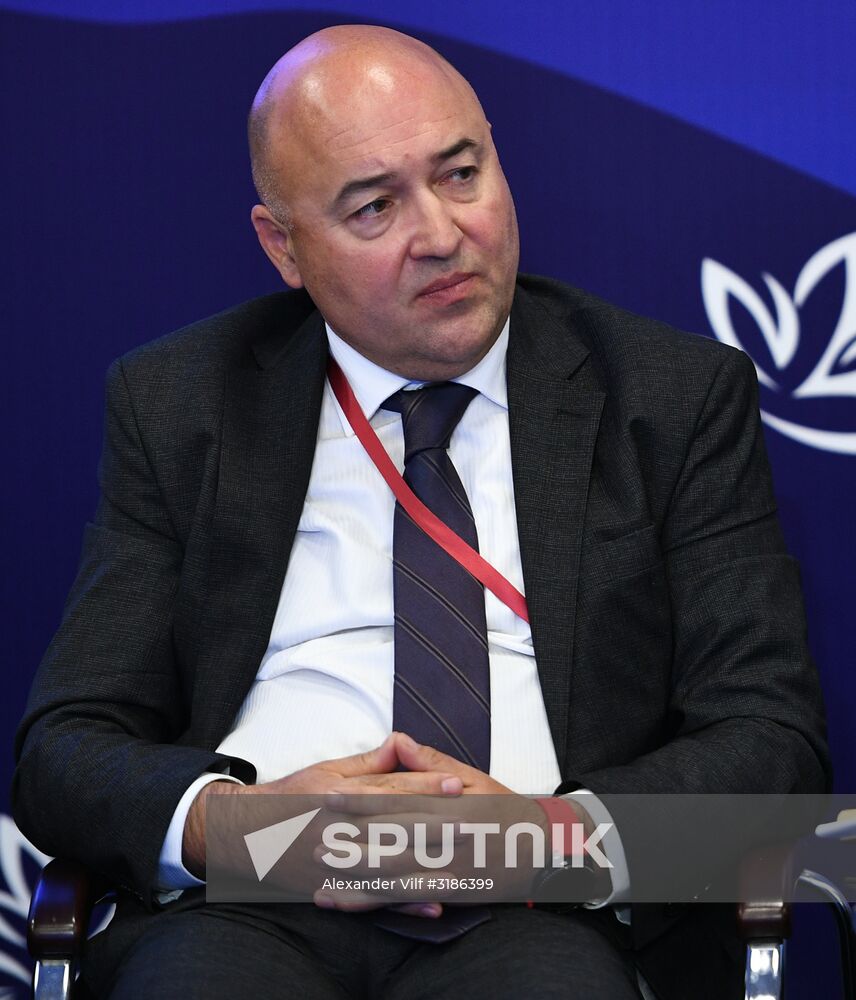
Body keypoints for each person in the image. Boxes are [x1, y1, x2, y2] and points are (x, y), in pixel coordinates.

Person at [12, 23, 829, 1000]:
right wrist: (236, 828)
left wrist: (542, 840)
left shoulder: (670, 398)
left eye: (461, 174)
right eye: (373, 207)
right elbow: (65, 745)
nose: (440, 235)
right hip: (247, 907)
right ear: (283, 246)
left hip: (539, 913)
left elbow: (771, 736)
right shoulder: (182, 404)